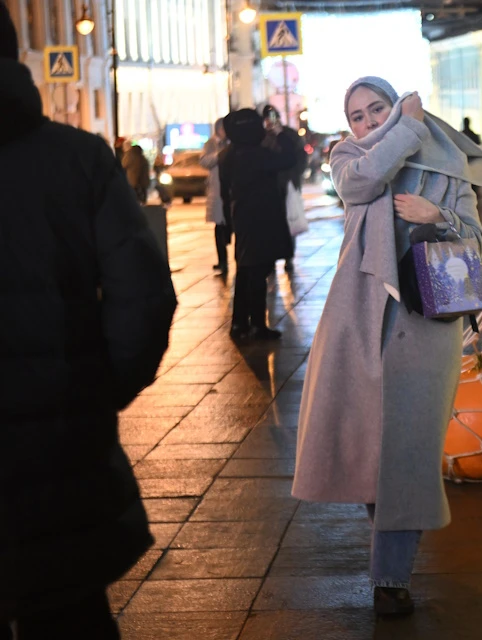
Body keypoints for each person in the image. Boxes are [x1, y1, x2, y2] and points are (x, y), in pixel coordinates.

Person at [0, 5, 178, 638]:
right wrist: (97, 389)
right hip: (61, 453)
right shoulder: (77, 159)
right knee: (67, 611)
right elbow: (144, 295)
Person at [293, 77, 482, 617]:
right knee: (364, 449)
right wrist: (408, 127)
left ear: (393, 104)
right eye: (358, 115)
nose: (368, 123)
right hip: (357, 320)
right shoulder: (347, 158)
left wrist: (436, 217)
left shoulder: (445, 164)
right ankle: (389, 543)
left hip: (425, 323)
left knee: (408, 454)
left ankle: (390, 577)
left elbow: (474, 238)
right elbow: (363, 184)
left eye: (378, 109)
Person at [219, 108, 297, 341]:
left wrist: (228, 222)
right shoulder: (256, 155)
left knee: (245, 271)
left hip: (242, 219)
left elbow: (225, 192)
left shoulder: (228, 155)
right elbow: (289, 158)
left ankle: (240, 324)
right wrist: (280, 133)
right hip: (262, 221)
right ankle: (256, 325)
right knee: (257, 272)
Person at [262, 104, 308, 273]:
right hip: (269, 188)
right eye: (266, 119)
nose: (269, 122)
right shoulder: (262, 137)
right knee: (271, 224)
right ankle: (272, 258)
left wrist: (295, 178)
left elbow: (300, 158)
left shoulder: (288, 135)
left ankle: (289, 257)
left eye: (272, 118)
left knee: (290, 220)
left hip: (288, 184)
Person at [200, 117, 231, 273]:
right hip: (218, 191)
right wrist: (219, 155)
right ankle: (222, 261)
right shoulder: (211, 144)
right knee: (219, 227)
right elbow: (204, 161)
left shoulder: (232, 143)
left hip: (230, 191)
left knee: (231, 226)